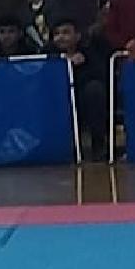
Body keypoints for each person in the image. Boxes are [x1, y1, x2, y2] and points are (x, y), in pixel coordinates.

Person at [47, 15, 110, 161]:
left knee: (95, 90)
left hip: (81, 99)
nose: (61, 37)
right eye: (56, 34)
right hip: (56, 100)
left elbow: (100, 75)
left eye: (66, 32)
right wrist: (65, 65)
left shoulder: (89, 52)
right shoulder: (47, 54)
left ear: (77, 36)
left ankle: (99, 144)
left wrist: (76, 69)